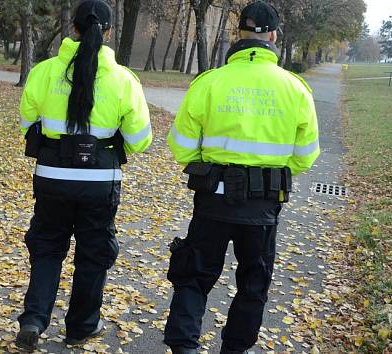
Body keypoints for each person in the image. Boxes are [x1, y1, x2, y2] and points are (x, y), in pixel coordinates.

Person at [163, 2, 320, 354]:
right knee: (253, 282)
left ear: (238, 34)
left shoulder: (210, 82)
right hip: (263, 206)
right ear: (274, 36)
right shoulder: (295, 89)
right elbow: (306, 156)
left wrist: (212, 165)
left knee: (194, 275)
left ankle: (184, 347)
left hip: (212, 201)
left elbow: (183, 146)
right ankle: (234, 349)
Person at [15, 0, 152, 351]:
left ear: (72, 28)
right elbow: (140, 139)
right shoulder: (123, 80)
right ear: (107, 32)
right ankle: (80, 327)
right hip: (99, 181)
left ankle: (33, 319)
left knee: (46, 247)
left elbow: (28, 123)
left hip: (51, 176)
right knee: (93, 254)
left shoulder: (44, 72)